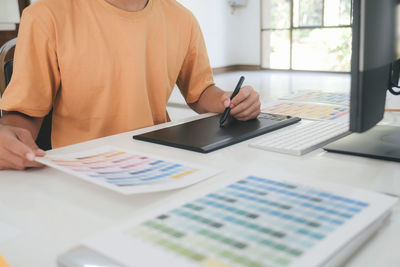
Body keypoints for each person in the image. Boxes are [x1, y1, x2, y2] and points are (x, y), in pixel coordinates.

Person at [0, 0, 261, 170]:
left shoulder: (182, 19)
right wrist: (10, 136)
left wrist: (229, 99)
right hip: (83, 168)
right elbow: (24, 113)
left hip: (162, 160)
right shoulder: (47, 14)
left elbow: (200, 91)